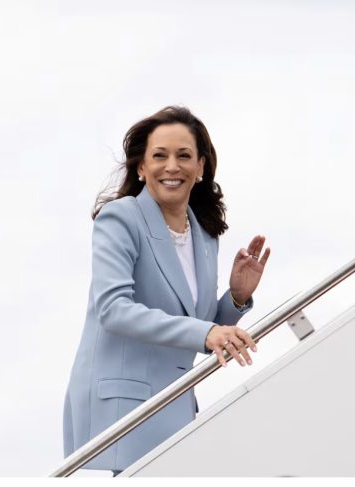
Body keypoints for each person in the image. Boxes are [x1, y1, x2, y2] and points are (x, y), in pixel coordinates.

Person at [62, 106, 270, 476]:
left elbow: (196, 327)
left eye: (184, 156)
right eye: (160, 156)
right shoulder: (121, 218)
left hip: (174, 405)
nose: (172, 166)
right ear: (141, 167)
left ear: (200, 167)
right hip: (123, 407)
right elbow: (113, 310)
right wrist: (208, 331)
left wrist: (236, 298)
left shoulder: (205, 237)